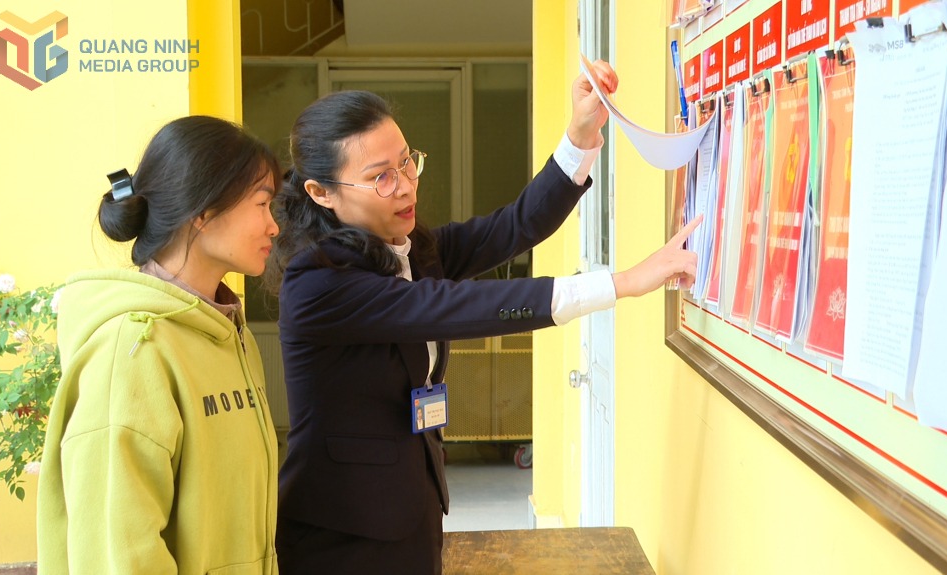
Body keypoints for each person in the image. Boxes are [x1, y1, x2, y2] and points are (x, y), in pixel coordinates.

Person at [263, 60, 701, 575]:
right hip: (343, 535)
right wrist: (620, 283)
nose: (405, 186)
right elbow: (456, 307)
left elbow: (515, 226)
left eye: (407, 163)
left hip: (412, 509)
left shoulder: (410, 248)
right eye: (380, 177)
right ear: (322, 193)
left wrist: (581, 134)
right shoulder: (318, 282)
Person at [37, 116, 282, 575]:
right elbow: (117, 555)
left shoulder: (233, 336)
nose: (274, 226)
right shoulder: (133, 350)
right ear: (203, 212)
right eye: (262, 204)